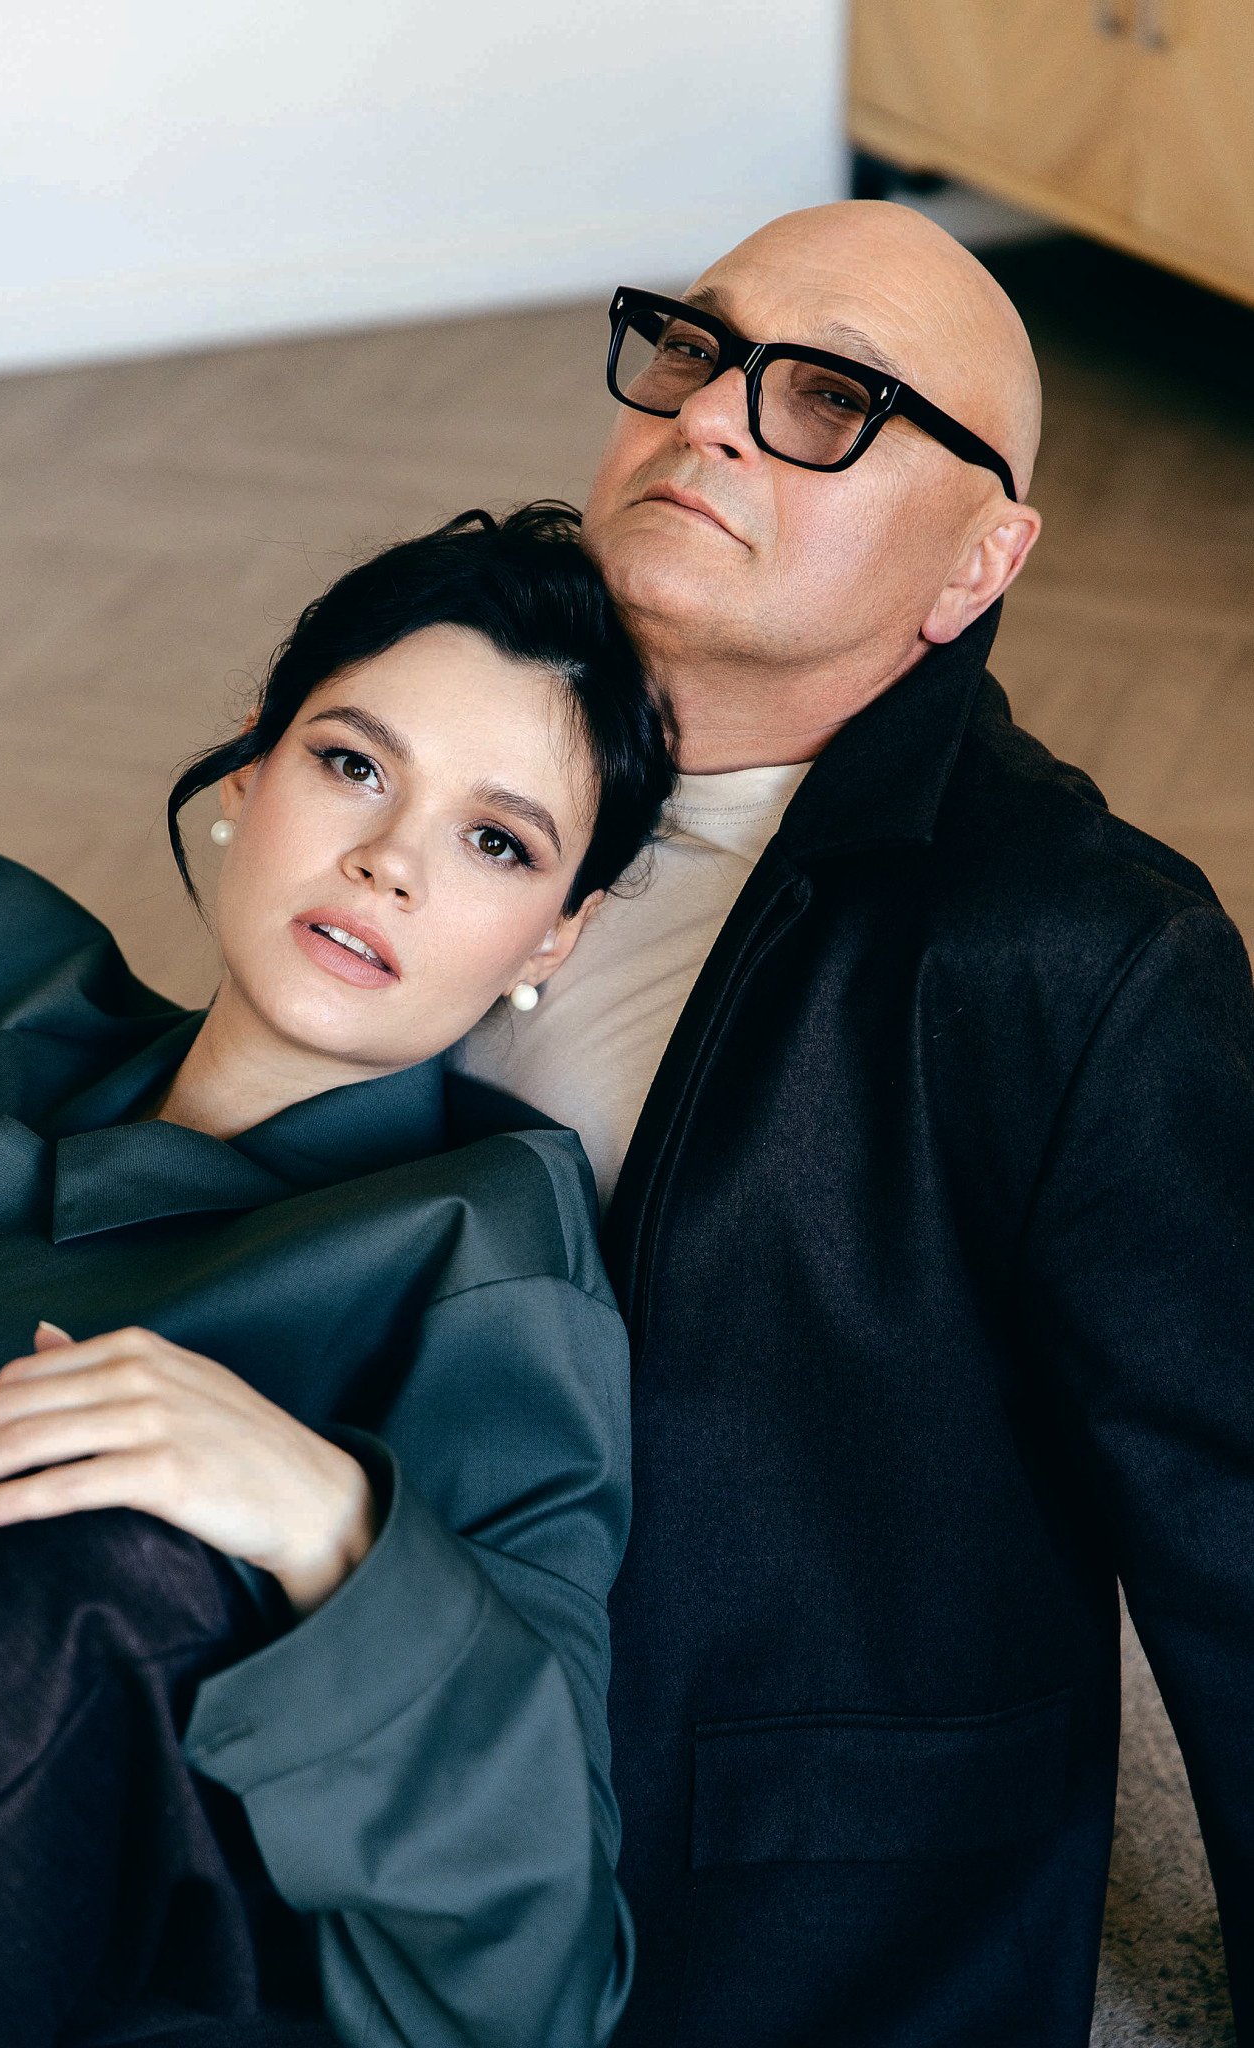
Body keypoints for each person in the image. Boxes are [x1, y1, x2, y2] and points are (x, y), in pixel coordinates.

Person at [455, 202, 1254, 2044]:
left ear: (979, 561)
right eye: (694, 347)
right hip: (363, 1679)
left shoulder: (1074, 948)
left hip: (742, 1867)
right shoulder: (447, 747)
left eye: (831, 398)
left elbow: (1233, 1510)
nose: (706, 415)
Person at [0, 505, 675, 2048]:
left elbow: (539, 1977)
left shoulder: (479, 1258)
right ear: (246, 773)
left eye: (496, 842)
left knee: (108, 1532)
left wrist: (329, 1521)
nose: (387, 863)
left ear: (557, 935)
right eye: (352, 764)